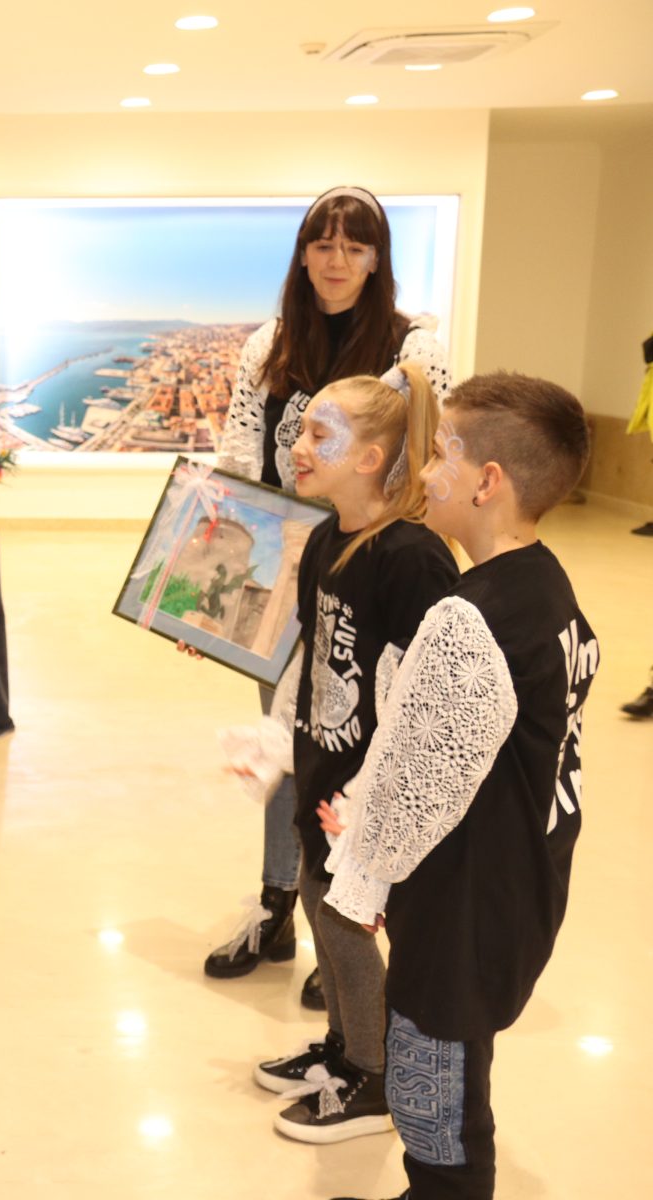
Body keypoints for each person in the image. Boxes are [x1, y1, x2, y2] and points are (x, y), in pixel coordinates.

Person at [319, 372, 597, 1200]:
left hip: (461, 906)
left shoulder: (467, 618)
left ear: (488, 482)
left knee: (431, 1101)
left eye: (442, 453)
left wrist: (362, 868)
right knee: (457, 1078)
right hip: (519, 884)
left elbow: (417, 792)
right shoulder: (547, 586)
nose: (425, 470)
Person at [209, 185, 454, 1005]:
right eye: (323, 243)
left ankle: (345, 930)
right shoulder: (271, 343)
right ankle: (277, 906)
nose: (337, 260)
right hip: (283, 571)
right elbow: (240, 456)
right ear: (303, 253)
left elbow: (426, 464)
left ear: (379, 258)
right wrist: (215, 591)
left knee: (360, 755)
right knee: (289, 745)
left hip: (372, 575)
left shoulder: (416, 348)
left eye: (355, 245)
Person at [226, 363, 458, 1145]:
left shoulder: (412, 557)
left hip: (367, 788)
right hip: (323, 765)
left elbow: (424, 697)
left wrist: (372, 801)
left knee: (347, 923)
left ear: (370, 458)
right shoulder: (328, 537)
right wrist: (275, 744)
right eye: (300, 428)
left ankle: (377, 1077)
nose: (297, 444)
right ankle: (344, 1048)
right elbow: (312, 656)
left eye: (319, 433)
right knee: (319, 904)